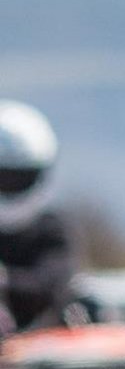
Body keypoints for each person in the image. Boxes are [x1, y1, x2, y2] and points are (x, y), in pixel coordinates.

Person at [0, 101, 79, 334]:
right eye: (3, 177)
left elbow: (51, 286)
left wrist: (4, 280)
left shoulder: (52, 231)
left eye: (19, 178)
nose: (10, 185)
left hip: (42, 351)